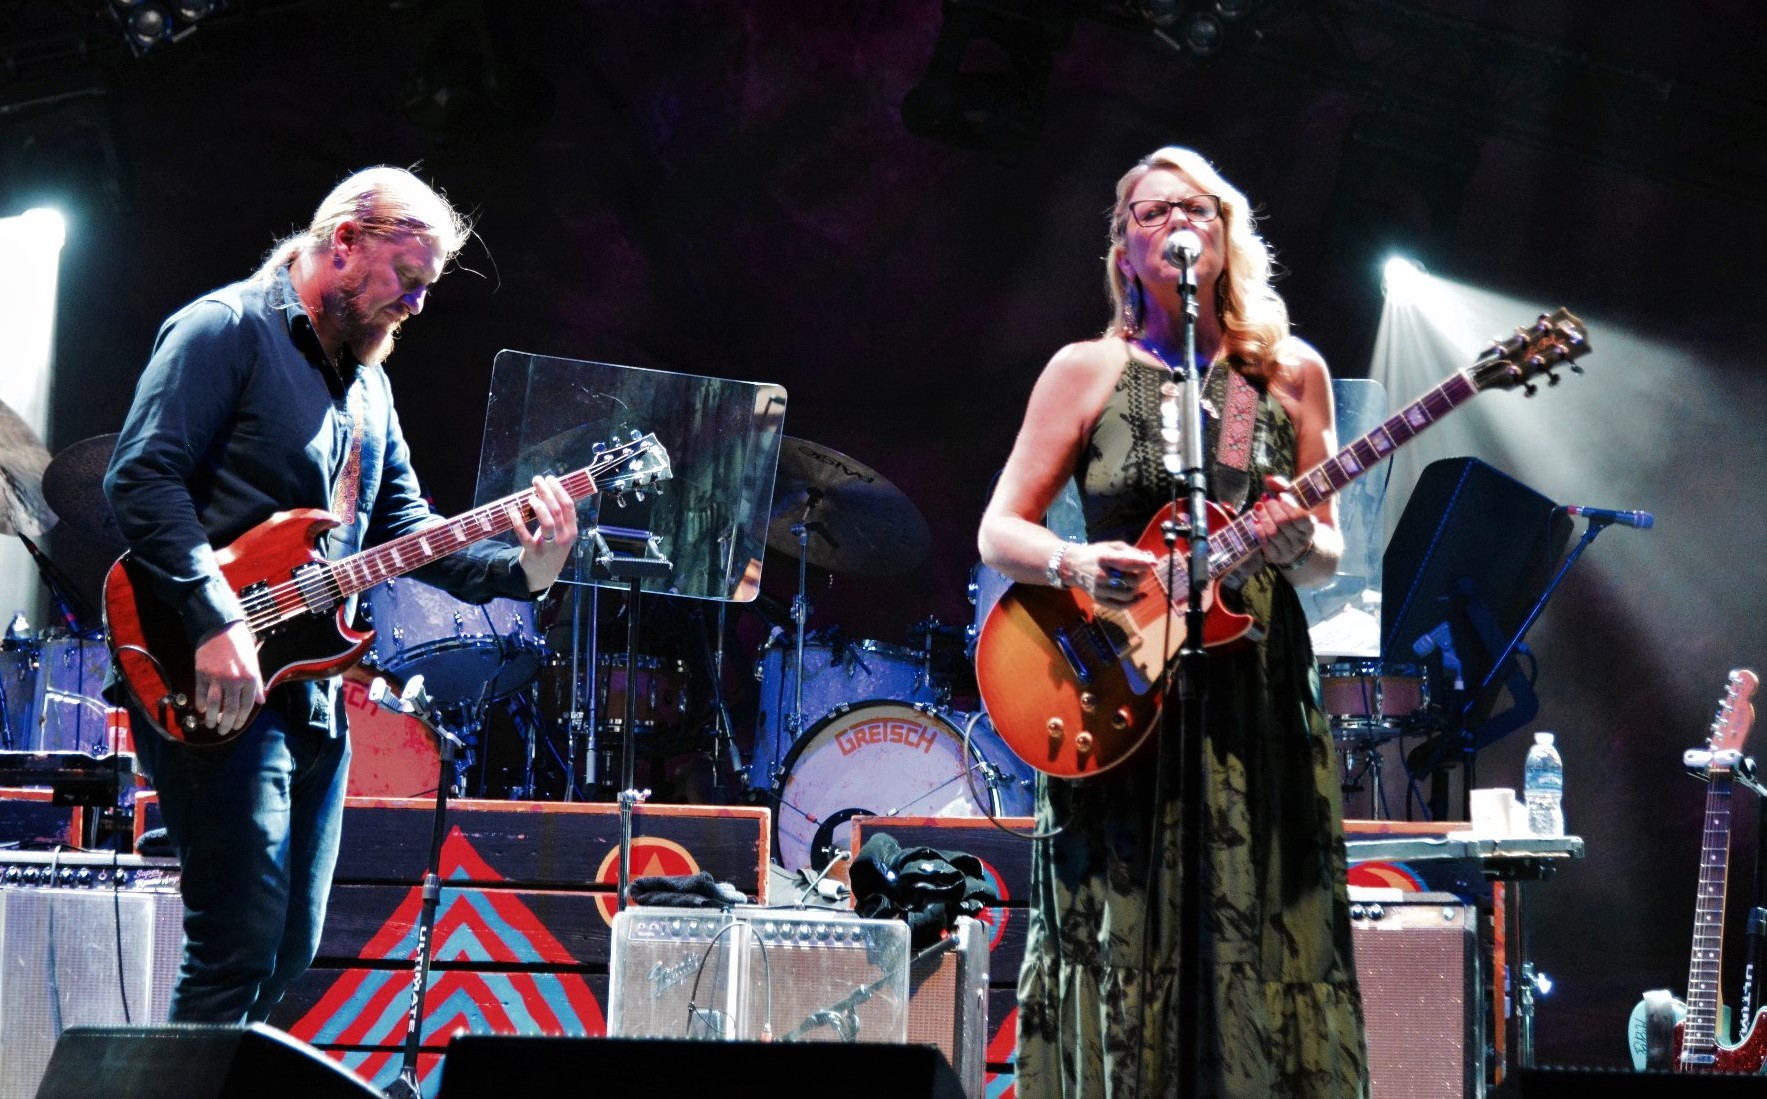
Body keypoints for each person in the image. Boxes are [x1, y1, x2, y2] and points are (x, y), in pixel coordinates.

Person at [103, 166, 579, 1024]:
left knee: (287, 950)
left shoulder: (369, 388)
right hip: (201, 670)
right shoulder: (224, 330)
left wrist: (529, 569)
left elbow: (408, 534)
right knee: (232, 948)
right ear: (346, 244)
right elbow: (142, 478)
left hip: (309, 693)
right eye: (409, 278)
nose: (419, 305)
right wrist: (214, 620)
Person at [978, 146, 1368, 1096]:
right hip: (1118, 688)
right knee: (1124, 927)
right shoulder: (1085, 370)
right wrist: (1075, 561)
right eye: (1148, 214)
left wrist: (1285, 544)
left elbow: (1327, 552)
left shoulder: (1276, 376)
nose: (1173, 225)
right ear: (1122, 250)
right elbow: (1000, 529)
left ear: (1226, 231)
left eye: (1193, 208)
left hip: (1255, 694)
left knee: (1261, 924)